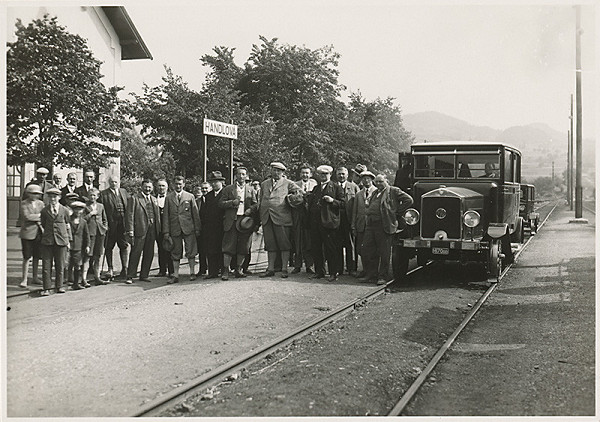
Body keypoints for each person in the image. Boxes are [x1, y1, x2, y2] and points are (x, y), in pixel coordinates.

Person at [361, 174, 413, 285]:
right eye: (377, 182)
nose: (379, 184)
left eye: (381, 181)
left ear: (386, 181)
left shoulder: (393, 191)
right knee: (369, 250)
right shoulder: (375, 192)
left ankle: (382, 277)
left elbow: (409, 200)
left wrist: (395, 211)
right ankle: (371, 274)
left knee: (384, 253)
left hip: (385, 225)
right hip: (371, 225)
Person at [258, 162, 302, 278]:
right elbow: (260, 199)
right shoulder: (264, 184)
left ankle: (284, 269)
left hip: (282, 218)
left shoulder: (288, 183)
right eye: (274, 170)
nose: (276, 172)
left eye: (278, 171)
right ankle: (270, 269)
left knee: (284, 244)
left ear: (283, 172)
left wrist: (291, 199)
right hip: (267, 217)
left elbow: (300, 194)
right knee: (270, 244)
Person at [218, 167, 259, 280]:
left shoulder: (251, 189)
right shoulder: (228, 189)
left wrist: (250, 209)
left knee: (244, 247)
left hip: (245, 222)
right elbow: (220, 203)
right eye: (239, 174)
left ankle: (238, 269)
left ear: (246, 176)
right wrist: (232, 203)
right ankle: (226, 271)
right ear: (235, 176)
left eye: (243, 174)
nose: (241, 176)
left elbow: (256, 204)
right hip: (232, 221)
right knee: (228, 247)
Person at [306, 165, 344, 282]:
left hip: (329, 223)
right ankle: (319, 272)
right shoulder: (316, 188)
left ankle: (333, 273)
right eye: (321, 174)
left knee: (330, 248)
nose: (323, 176)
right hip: (315, 223)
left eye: (325, 174)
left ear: (330, 175)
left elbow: (343, 204)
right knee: (316, 248)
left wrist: (332, 201)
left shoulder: (336, 187)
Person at [163, 175, 201, 284]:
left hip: (189, 228)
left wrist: (197, 228)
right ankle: (175, 274)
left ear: (184, 184)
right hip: (175, 228)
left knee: (191, 251)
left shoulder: (190, 196)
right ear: (173, 185)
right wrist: (166, 231)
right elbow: (165, 216)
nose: (178, 186)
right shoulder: (169, 198)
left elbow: (195, 214)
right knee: (175, 252)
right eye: (176, 184)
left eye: (180, 184)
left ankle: (192, 272)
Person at [125, 179, 161, 284]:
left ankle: (144, 275)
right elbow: (130, 215)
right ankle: (130, 275)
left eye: (150, 187)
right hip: (139, 229)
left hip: (152, 229)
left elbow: (157, 215)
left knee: (149, 253)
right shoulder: (134, 198)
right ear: (142, 187)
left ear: (152, 188)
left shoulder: (154, 199)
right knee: (136, 252)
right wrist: (130, 230)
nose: (148, 189)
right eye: (146, 187)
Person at [39, 188, 72, 296]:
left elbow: (68, 224)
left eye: (55, 197)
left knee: (60, 265)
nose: (53, 199)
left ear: (59, 197)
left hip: (61, 240)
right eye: (51, 197)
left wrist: (68, 240)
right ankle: (47, 288)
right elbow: (43, 224)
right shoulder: (44, 210)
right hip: (48, 241)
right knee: (46, 266)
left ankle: (59, 286)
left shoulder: (64, 210)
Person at [99, 175, 130, 280]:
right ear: (109, 182)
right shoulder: (103, 194)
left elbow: (129, 207)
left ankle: (125, 268)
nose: (114, 184)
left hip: (122, 226)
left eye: (116, 182)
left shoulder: (124, 192)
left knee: (124, 246)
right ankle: (110, 268)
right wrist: (104, 225)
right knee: (109, 247)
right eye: (112, 182)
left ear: (119, 182)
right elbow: (101, 211)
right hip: (110, 226)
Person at [291, 165, 317, 274]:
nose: (305, 175)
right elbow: (291, 199)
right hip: (298, 215)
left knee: (309, 240)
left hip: (310, 216)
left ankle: (309, 265)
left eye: (307, 173)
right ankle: (297, 265)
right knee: (297, 239)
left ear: (310, 174)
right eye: (303, 173)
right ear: (300, 174)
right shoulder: (294, 185)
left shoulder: (315, 184)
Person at [351, 170, 377, 278]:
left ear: (372, 179)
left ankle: (372, 272)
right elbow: (355, 211)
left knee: (372, 250)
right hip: (361, 225)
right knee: (361, 249)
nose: (366, 181)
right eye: (364, 178)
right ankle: (365, 270)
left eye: (368, 178)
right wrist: (353, 225)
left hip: (372, 226)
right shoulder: (358, 194)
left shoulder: (376, 192)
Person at [18, 184, 44, 288]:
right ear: (28, 193)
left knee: (37, 256)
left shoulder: (41, 204)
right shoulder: (24, 203)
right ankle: (24, 279)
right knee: (27, 257)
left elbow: (44, 215)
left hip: (38, 233)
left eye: (37, 194)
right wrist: (39, 216)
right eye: (33, 193)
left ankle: (35, 277)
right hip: (27, 234)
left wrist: (38, 217)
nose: (35, 195)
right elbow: (27, 216)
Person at [201, 172, 225, 279]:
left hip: (223, 226)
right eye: (213, 182)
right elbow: (204, 212)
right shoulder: (208, 196)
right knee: (211, 250)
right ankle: (212, 271)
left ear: (222, 182)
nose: (215, 184)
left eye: (217, 182)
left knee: (223, 249)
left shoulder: (226, 193)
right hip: (210, 228)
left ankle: (224, 270)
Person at [82, 187, 108, 285]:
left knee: (98, 255)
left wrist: (105, 228)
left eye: (94, 195)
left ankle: (97, 276)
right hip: (90, 234)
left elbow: (105, 219)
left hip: (100, 233)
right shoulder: (85, 206)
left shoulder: (101, 206)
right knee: (88, 256)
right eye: (90, 195)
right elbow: (82, 220)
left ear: (97, 197)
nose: (92, 197)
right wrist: (90, 214)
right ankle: (84, 278)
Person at [336, 166, 359, 276]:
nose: (341, 176)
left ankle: (351, 268)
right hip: (336, 220)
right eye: (339, 174)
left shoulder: (353, 187)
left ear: (347, 175)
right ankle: (338, 268)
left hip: (349, 219)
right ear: (336, 175)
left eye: (343, 174)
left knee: (350, 244)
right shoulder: (333, 186)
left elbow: (359, 204)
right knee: (337, 245)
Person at [68, 201, 91, 290]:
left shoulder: (83, 222)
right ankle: (68, 279)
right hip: (69, 245)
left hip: (78, 246)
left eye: (80, 210)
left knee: (77, 264)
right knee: (67, 264)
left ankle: (76, 283)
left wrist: (87, 245)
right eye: (76, 209)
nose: (78, 212)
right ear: (73, 210)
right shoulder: (68, 220)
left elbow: (86, 235)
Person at [155, 178, 173, 278]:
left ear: (167, 187)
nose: (161, 188)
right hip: (158, 228)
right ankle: (162, 270)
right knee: (160, 249)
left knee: (170, 248)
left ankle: (171, 270)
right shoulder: (153, 199)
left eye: (163, 186)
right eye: (159, 186)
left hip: (169, 227)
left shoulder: (171, 198)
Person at [194, 181, 211, 276]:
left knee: (212, 249)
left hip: (211, 229)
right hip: (201, 229)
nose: (204, 190)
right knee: (201, 250)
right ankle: (202, 269)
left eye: (206, 188)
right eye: (203, 188)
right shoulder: (197, 201)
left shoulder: (213, 200)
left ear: (210, 189)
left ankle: (214, 268)